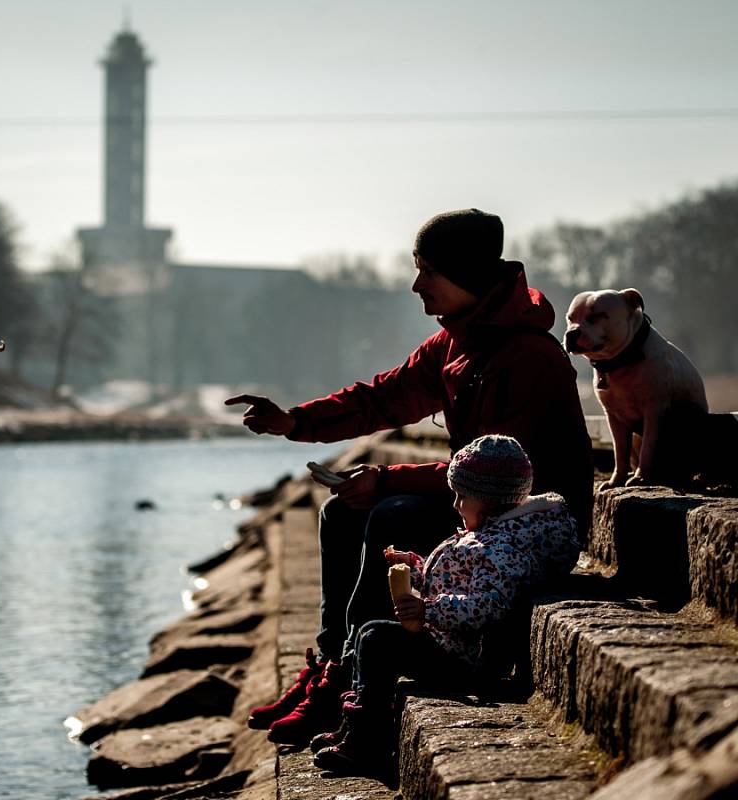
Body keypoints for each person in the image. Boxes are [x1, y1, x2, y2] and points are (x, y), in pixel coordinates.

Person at [226, 208, 593, 744]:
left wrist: (387, 478)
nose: (416, 285)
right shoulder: (454, 344)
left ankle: (353, 677)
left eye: (428, 270)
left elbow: (500, 475)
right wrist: (296, 420)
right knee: (341, 510)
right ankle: (333, 663)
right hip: (482, 508)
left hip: (526, 522)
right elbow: (383, 397)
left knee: (392, 515)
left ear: (465, 274)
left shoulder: (528, 357)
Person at [310, 435, 580, 776]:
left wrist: (429, 611)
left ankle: (367, 739)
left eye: (461, 497)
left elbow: (486, 606)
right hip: (450, 642)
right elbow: (455, 579)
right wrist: (416, 565)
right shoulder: (491, 534)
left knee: (376, 640)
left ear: (490, 502)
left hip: (464, 658)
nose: (454, 505)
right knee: (370, 632)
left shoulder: (499, 550)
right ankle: (357, 726)